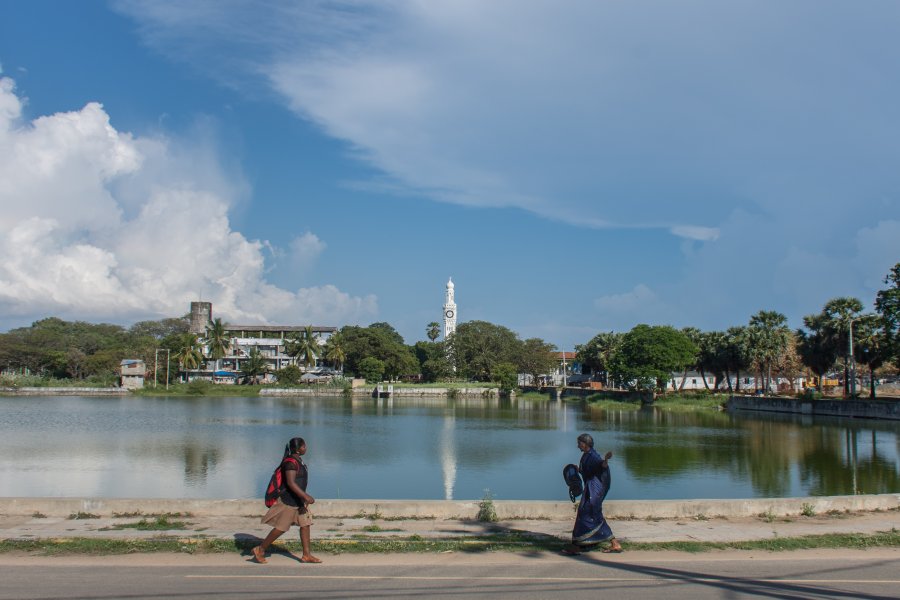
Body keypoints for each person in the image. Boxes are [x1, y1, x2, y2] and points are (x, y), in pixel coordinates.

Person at [252, 437, 321, 564]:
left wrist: (303, 498)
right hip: (289, 501)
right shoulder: (290, 463)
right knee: (281, 528)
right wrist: (306, 496)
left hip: (299, 502)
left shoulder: (298, 461)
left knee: (305, 525)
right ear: (298, 449)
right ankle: (260, 549)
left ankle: (306, 555)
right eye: (304, 446)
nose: (306, 448)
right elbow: (291, 483)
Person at [562, 433, 622, 555]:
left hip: (594, 490)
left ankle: (578, 545)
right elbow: (589, 471)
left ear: (585, 444)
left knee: (586, 514)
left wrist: (605, 460)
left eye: (579, 443)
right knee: (590, 514)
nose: (578, 445)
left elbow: (601, 465)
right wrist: (577, 469)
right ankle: (609, 543)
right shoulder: (586, 455)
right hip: (590, 489)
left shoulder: (593, 455)